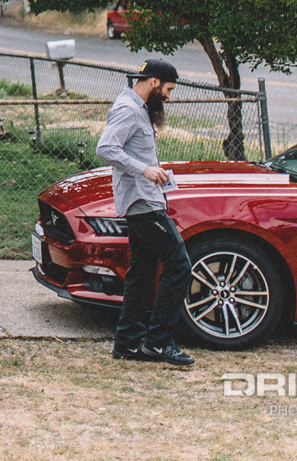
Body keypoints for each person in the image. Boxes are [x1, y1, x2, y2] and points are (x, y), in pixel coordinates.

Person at [96, 59, 195, 368]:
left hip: (143, 198)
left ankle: (126, 342)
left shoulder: (136, 107)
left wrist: (154, 171)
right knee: (179, 265)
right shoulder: (129, 109)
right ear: (154, 82)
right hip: (142, 203)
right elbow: (106, 148)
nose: (169, 96)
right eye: (168, 89)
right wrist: (146, 170)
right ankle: (159, 343)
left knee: (142, 271)